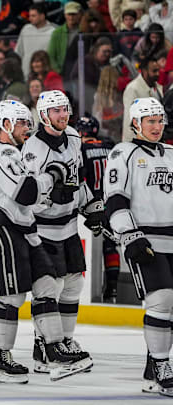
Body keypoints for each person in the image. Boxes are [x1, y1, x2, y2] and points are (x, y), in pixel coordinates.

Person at [0, 99, 92, 383]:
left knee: (47, 285)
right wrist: (51, 178)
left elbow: (32, 196)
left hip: (24, 227)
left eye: (29, 122)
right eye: (22, 123)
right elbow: (26, 192)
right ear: (6, 125)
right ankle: (0, 357)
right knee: (13, 296)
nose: (28, 128)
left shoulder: (12, 152)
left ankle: (53, 350)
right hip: (2, 228)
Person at [21, 90, 103, 374]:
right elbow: (30, 195)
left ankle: (65, 341)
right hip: (43, 228)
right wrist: (53, 195)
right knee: (49, 288)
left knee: (73, 285)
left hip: (68, 227)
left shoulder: (74, 137)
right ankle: (42, 346)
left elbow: (77, 179)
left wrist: (91, 205)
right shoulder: (32, 148)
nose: (62, 115)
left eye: (64, 109)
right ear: (43, 115)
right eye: (55, 111)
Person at [104, 97, 173, 397]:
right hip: (144, 239)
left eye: (160, 121)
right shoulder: (124, 152)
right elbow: (115, 198)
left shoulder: (171, 153)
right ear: (136, 123)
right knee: (162, 300)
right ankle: (161, 365)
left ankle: (152, 368)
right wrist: (129, 234)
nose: (157, 127)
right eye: (150, 121)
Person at [75, 114, 118, 302]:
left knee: (88, 249)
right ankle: (112, 291)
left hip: (92, 206)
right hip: (112, 204)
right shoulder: (110, 147)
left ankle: (88, 292)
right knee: (110, 247)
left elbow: (80, 178)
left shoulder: (81, 149)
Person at [122, 58, 164, 142]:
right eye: (154, 71)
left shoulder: (157, 87)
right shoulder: (133, 89)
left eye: (158, 70)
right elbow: (129, 120)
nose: (158, 74)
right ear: (144, 71)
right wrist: (131, 145)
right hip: (137, 142)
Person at [16, 3, 58, 78]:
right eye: (30, 16)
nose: (30, 19)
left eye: (33, 16)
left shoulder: (53, 32)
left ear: (42, 16)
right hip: (26, 75)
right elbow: (19, 52)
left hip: (45, 76)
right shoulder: (26, 29)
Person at [48, 2, 82, 74]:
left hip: (81, 71)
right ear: (65, 15)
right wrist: (59, 71)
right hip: (63, 72)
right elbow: (51, 55)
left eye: (74, 14)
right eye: (69, 14)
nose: (71, 17)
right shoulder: (57, 33)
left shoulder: (84, 31)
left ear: (79, 14)